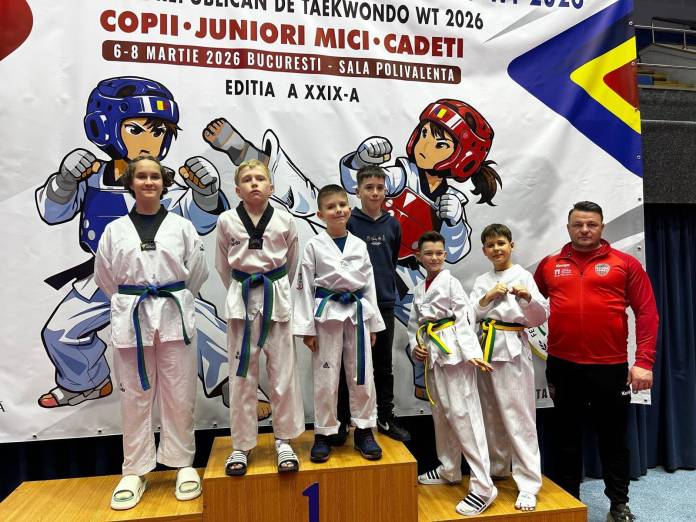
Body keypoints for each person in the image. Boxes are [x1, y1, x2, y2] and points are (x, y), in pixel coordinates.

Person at [94, 155, 208, 510]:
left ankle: (182, 463)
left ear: (164, 183)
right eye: (141, 176)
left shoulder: (182, 227)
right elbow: (105, 277)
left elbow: (197, 273)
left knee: (179, 393)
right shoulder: (114, 230)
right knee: (134, 396)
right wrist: (132, 300)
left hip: (174, 315)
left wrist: (169, 296)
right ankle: (135, 469)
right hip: (132, 317)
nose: (148, 182)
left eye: (155, 176)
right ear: (130, 183)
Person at [534, 201, 659, 522]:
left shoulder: (625, 264)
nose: (584, 230)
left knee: (614, 440)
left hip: (610, 368)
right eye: (578, 224)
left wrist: (644, 361)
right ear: (568, 228)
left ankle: (618, 504)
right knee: (565, 439)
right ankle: (569, 502)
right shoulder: (549, 265)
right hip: (563, 366)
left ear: (602, 227)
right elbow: (530, 308)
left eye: (591, 224)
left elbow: (647, 312)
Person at [215, 159, 304, 476]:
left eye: (260, 178)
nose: (254, 183)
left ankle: (284, 440)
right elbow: (222, 266)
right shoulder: (226, 220)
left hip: (275, 298)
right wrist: (239, 290)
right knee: (241, 376)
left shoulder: (284, 219)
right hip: (241, 300)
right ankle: (241, 444)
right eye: (247, 179)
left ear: (271, 187)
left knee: (282, 374)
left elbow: (291, 263)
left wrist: (275, 287)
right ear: (237, 190)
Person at [294, 184, 385, 462]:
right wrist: (307, 328)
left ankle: (364, 430)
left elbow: (369, 285)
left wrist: (373, 324)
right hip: (326, 315)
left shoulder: (359, 245)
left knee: (362, 374)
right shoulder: (313, 245)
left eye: (342, 205)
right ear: (320, 214)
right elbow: (304, 287)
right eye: (331, 207)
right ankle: (323, 432)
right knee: (326, 376)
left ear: (349, 208)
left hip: (357, 314)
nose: (338, 210)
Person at [409, 231, 497, 517]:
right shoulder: (419, 288)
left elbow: (465, 319)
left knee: (464, 416)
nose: (434, 258)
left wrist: (472, 354)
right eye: (428, 253)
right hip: (434, 356)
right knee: (442, 414)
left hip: (455, 355)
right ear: (419, 257)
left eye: (439, 253)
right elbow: (414, 325)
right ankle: (449, 469)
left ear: (445, 255)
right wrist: (416, 345)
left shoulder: (452, 283)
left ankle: (483, 486)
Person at [470, 224, 549, 512]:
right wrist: (487, 297)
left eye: (501, 243)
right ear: (484, 251)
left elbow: (541, 315)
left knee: (519, 416)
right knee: (490, 414)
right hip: (486, 349)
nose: (496, 249)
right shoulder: (482, 280)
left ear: (511, 245)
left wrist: (527, 298)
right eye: (490, 245)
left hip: (512, 348)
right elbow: (471, 314)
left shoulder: (523, 276)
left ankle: (529, 484)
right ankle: (498, 467)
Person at [329, 166, 410, 445]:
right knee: (346, 365)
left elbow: (391, 260)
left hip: (384, 302)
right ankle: (342, 420)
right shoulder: (349, 222)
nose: (375, 193)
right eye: (369, 188)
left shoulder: (393, 225)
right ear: (358, 191)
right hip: (352, 304)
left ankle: (384, 417)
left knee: (383, 365)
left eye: (379, 188)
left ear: (386, 191)